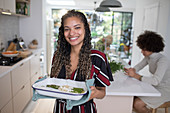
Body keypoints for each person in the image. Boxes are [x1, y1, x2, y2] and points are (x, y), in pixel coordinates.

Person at [50, 10, 113, 113]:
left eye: (77, 27)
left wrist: (95, 92)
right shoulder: (57, 56)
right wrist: (44, 85)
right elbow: (55, 84)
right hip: (60, 109)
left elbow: (102, 93)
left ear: (85, 29)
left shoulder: (97, 58)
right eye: (67, 29)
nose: (71, 33)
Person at [124, 30, 170, 113]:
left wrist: (135, 76)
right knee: (130, 96)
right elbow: (139, 66)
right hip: (155, 87)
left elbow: (155, 81)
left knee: (137, 104)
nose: (142, 52)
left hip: (165, 90)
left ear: (152, 48)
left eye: (144, 50)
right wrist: (132, 70)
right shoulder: (149, 57)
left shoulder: (162, 60)